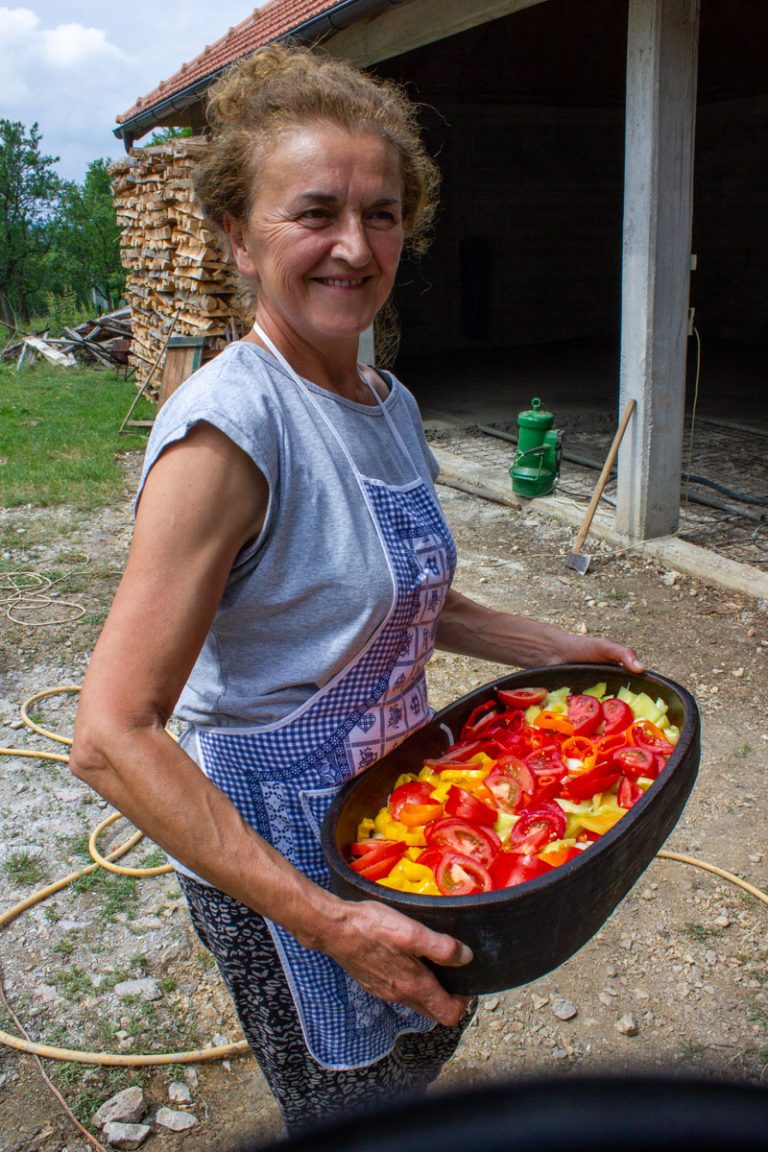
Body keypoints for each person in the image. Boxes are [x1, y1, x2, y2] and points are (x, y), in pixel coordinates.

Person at [70, 44, 643, 1135]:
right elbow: (110, 733)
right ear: (238, 236)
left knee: (423, 1039)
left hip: (399, 799)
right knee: (349, 1104)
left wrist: (562, 650)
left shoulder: (382, 398)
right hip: (281, 846)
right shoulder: (230, 436)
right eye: (316, 212)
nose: (353, 245)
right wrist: (328, 922)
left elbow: (400, 600)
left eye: (382, 214)